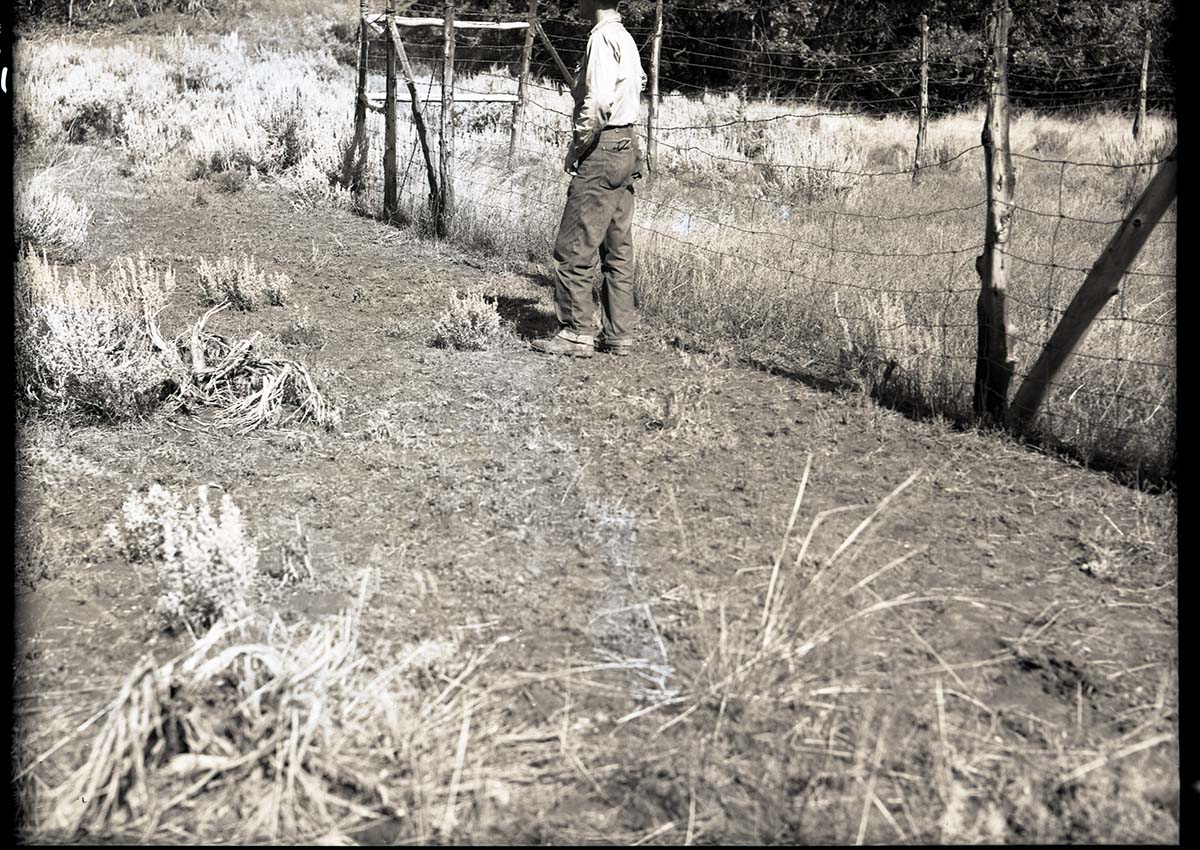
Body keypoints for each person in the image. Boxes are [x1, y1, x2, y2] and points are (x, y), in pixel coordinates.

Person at [531, 0, 646, 359]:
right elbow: (639, 82)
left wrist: (578, 147)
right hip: (628, 144)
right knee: (616, 249)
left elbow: (597, 103)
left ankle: (577, 332)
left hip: (603, 146)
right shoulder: (625, 37)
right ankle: (618, 334)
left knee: (572, 249)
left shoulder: (600, 39)